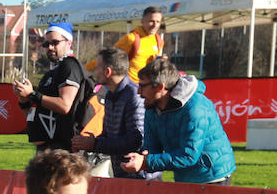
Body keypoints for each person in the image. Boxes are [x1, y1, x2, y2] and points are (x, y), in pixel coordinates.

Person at [121, 57, 236, 184]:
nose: (138, 92)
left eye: (142, 86)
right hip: (184, 176)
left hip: (212, 177)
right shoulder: (152, 109)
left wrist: (147, 161)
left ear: (160, 87)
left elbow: (189, 155)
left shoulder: (195, 108)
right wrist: (142, 158)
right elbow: (152, 148)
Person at [70, 47, 149, 179]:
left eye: (97, 68)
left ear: (107, 71)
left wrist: (94, 144)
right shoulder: (110, 95)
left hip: (140, 178)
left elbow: (136, 141)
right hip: (121, 174)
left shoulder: (134, 96)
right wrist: (89, 143)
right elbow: (109, 135)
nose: (94, 72)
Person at [12, 22, 89, 151]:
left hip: (63, 148)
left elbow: (65, 105)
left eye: (55, 42)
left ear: (69, 43)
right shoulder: (51, 73)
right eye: (46, 44)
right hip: (47, 147)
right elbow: (33, 113)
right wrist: (24, 98)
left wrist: (32, 94)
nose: (50, 47)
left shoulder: (69, 65)